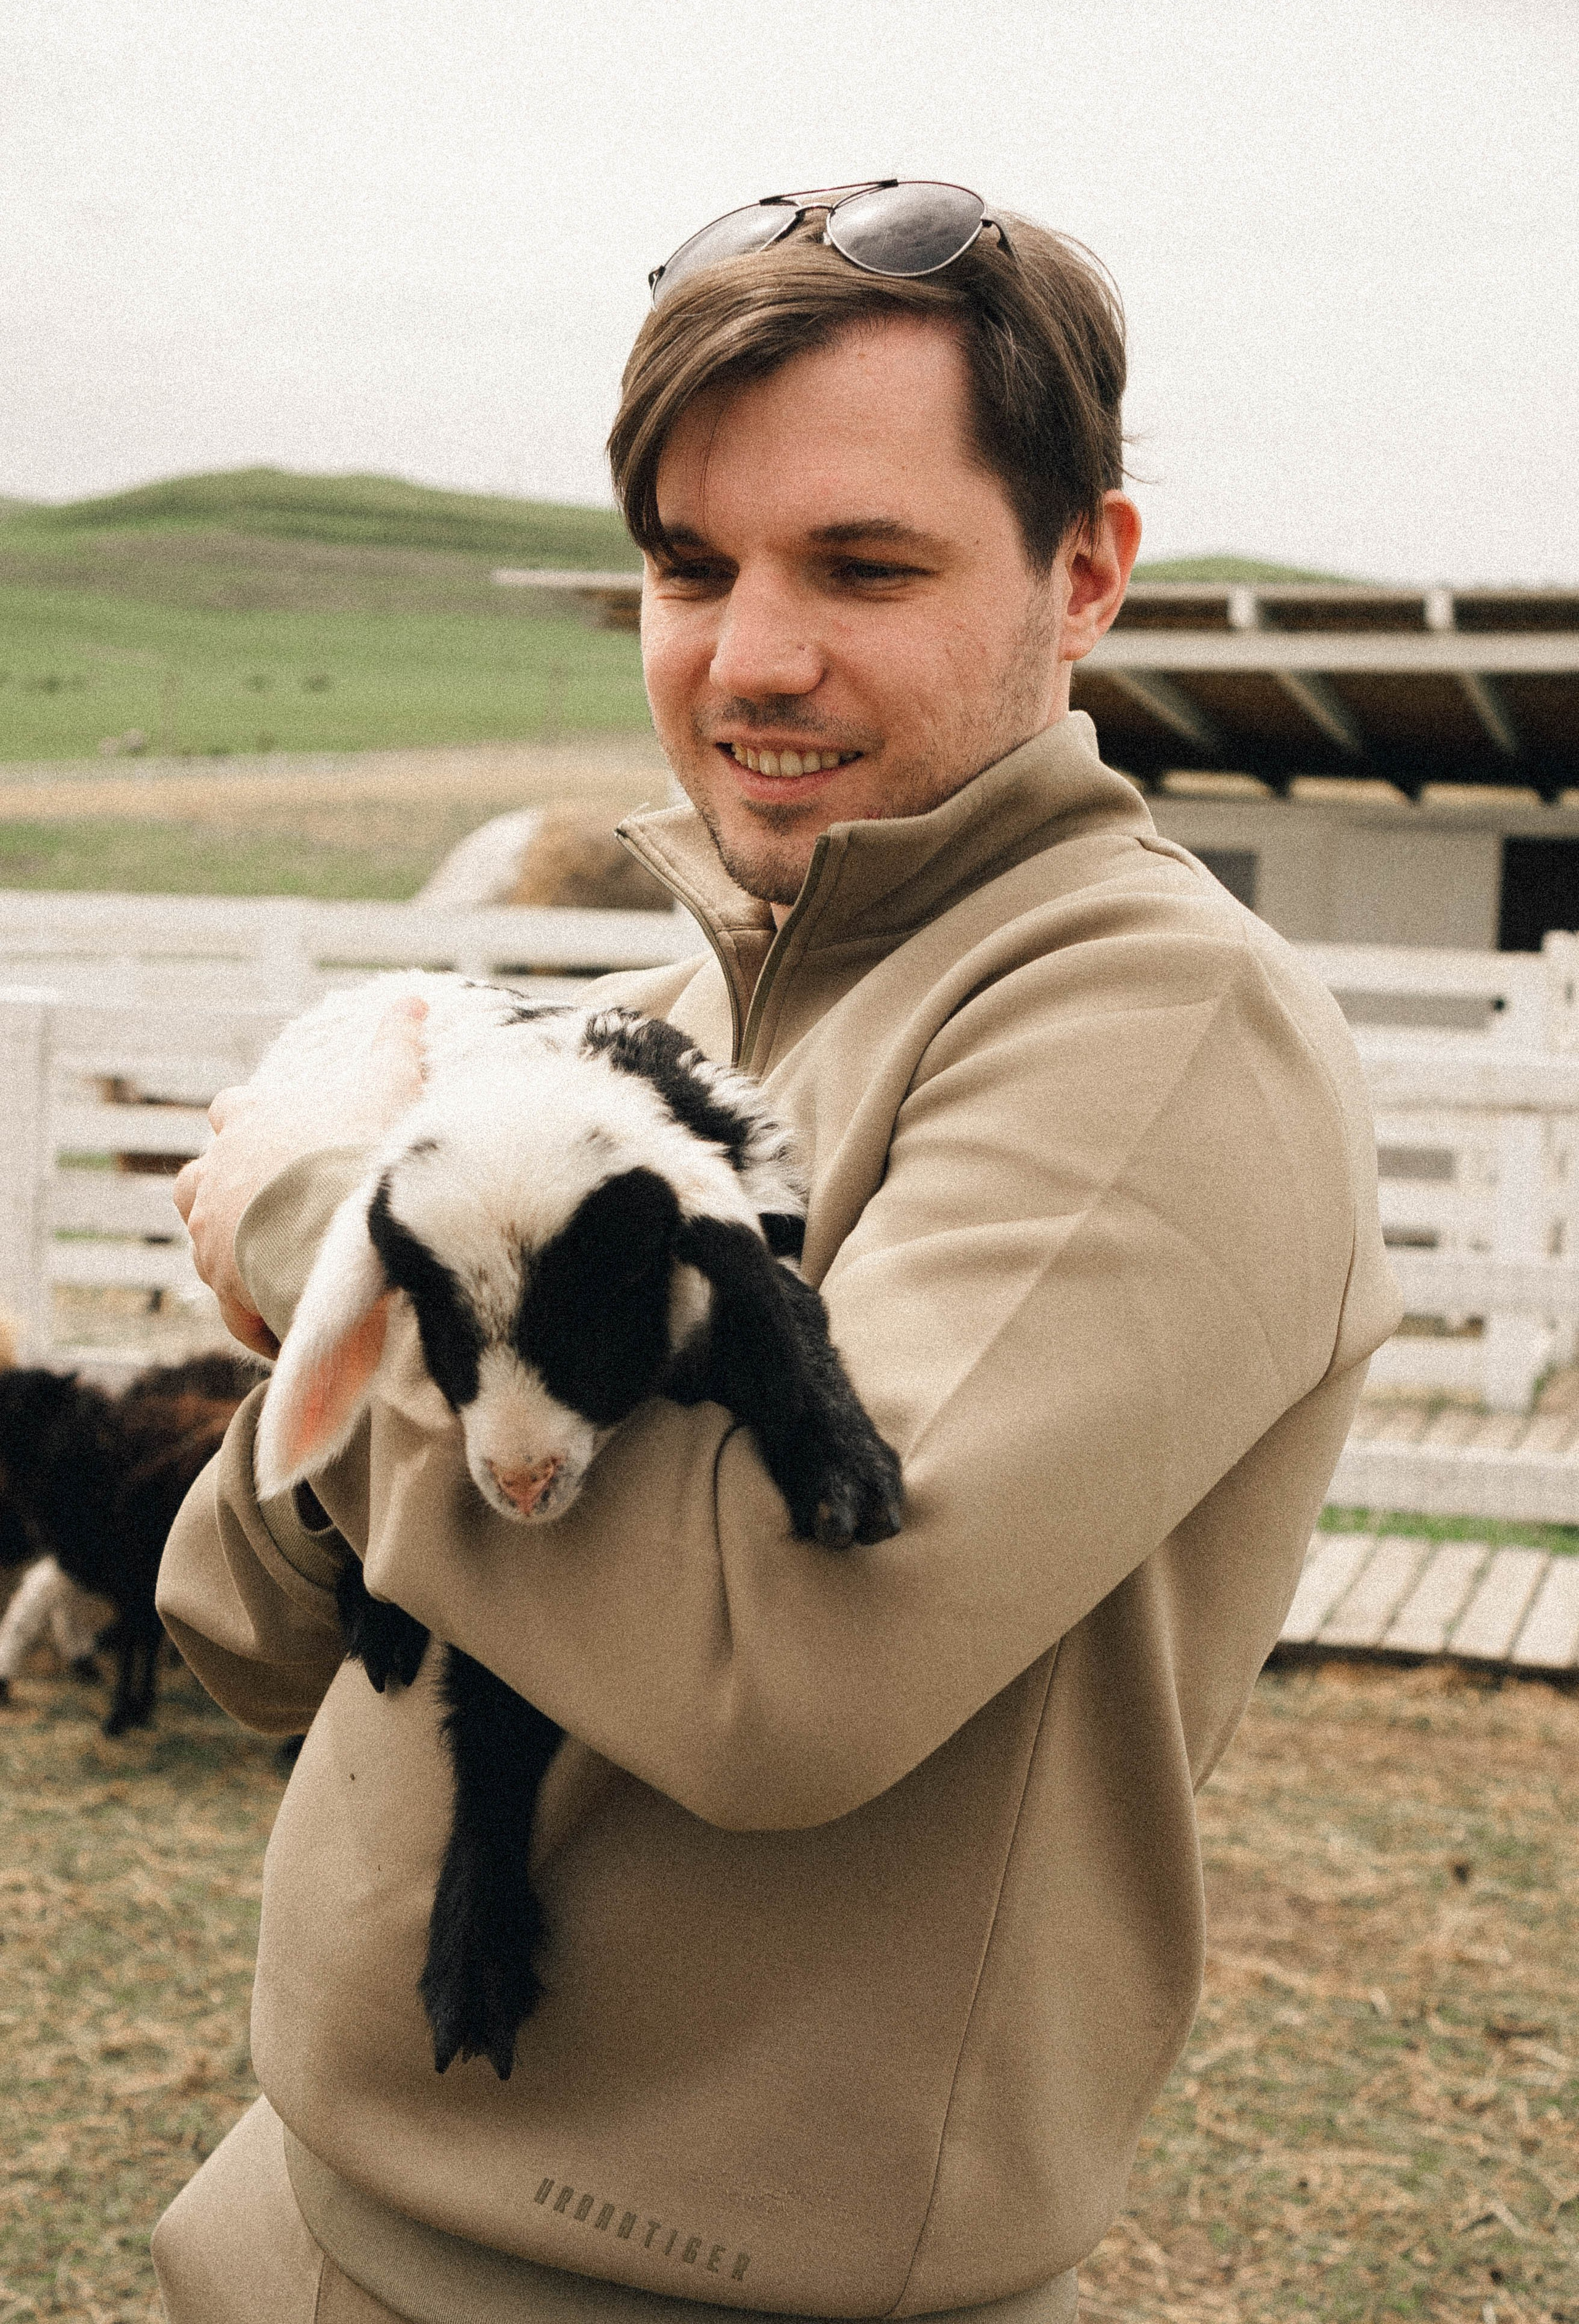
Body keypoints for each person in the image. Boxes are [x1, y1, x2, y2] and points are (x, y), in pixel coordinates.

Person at [155, 181, 1399, 2324]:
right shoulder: (672, 1022)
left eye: (864, 565)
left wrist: (320, 1225)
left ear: (1085, 571)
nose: (750, 658)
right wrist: (389, 1307)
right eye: (688, 566)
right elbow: (245, 1620)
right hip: (315, 2204)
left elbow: (784, 1670)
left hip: (670, 2283)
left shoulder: (1156, 1026)